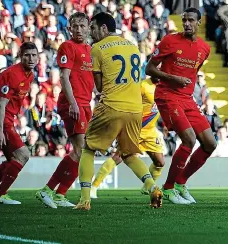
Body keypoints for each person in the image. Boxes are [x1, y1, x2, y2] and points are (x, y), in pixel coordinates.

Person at [74, 12, 162, 210]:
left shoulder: (96, 49)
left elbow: (99, 87)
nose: (91, 33)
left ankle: (84, 199)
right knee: (129, 154)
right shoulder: (132, 46)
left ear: (104, 28)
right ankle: (152, 187)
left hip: (112, 105)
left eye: (94, 28)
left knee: (88, 148)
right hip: (135, 110)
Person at [145, 8, 216, 204]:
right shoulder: (170, 41)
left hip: (187, 99)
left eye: (191, 20)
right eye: (184, 20)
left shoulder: (204, 49)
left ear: (198, 22)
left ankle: (180, 183)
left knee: (210, 144)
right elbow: (149, 69)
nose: (186, 24)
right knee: (189, 139)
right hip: (167, 95)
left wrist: (189, 91)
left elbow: (193, 74)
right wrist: (172, 78)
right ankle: (168, 189)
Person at [35, 12, 95, 209]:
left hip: (85, 103)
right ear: (69, 28)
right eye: (75, 26)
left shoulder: (89, 49)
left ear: (88, 28)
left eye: (82, 26)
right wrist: (73, 104)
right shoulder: (67, 46)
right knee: (80, 149)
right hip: (73, 103)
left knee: (84, 150)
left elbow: (89, 80)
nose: (78, 29)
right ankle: (47, 190)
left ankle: (60, 193)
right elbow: (64, 77)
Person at [0, 42, 38, 204]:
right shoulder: (11, 74)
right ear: (20, 57)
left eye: (34, 55)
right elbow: (0, 105)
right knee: (23, 155)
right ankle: (0, 195)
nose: (31, 58)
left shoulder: (30, 75)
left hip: (7, 120)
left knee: (13, 160)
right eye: (27, 55)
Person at [90, 77, 166, 198]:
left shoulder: (165, 86)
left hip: (150, 130)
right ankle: (93, 187)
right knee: (118, 157)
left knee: (160, 162)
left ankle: (147, 187)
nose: (160, 69)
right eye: (157, 66)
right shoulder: (143, 86)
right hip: (135, 128)